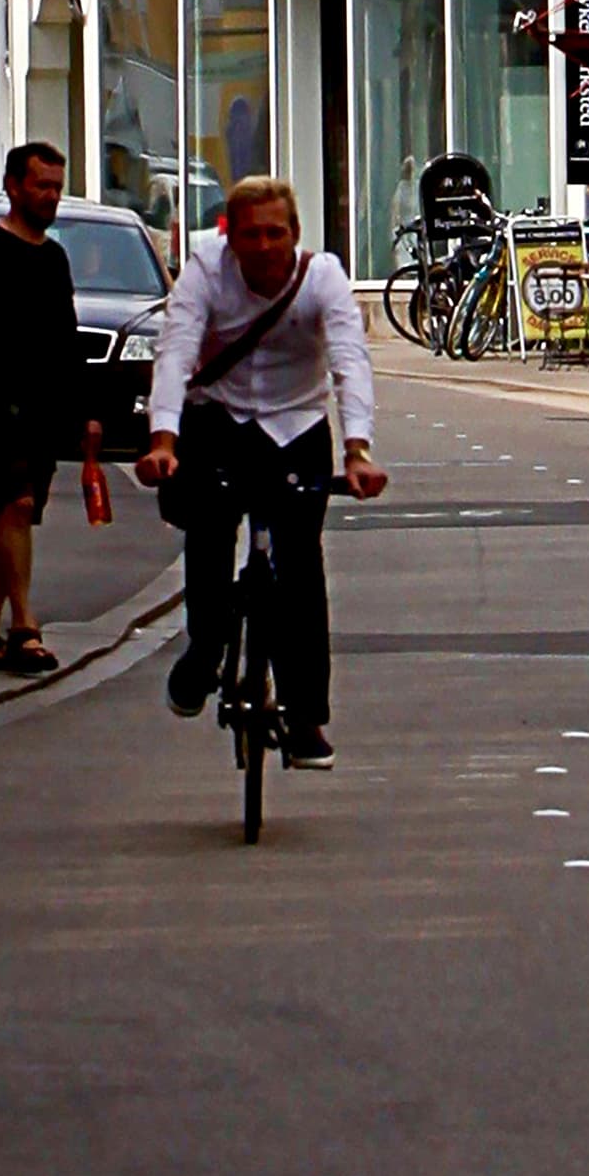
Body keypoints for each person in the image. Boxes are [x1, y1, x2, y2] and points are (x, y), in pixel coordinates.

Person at [143, 175, 385, 764]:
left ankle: (305, 717)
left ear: (295, 235)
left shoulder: (322, 278)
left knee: (300, 565)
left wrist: (358, 451)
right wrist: (164, 440)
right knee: (207, 530)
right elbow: (175, 352)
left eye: (276, 233)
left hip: (295, 426)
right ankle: (205, 650)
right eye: (250, 234)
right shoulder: (206, 272)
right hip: (217, 419)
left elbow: (350, 362)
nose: (264, 245)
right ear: (231, 239)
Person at [0, 141, 105, 675]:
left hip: (43, 408)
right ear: (13, 187)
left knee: (14, 514)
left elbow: (65, 338)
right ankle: (25, 626)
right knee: (18, 502)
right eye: (41, 185)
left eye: (56, 186)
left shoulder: (54, 258)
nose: (51, 196)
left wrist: (87, 414)